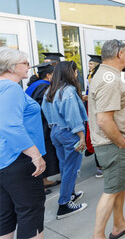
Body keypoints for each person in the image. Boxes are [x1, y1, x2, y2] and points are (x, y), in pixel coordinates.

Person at [89, 40, 125, 239]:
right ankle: (98, 235)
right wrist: (122, 143)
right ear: (119, 54)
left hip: (116, 144)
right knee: (112, 190)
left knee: (118, 187)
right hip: (114, 145)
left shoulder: (109, 75)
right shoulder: (108, 79)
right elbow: (104, 120)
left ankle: (119, 224)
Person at [0, 47, 46, 239]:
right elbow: (9, 125)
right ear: (11, 67)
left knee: (5, 216)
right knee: (31, 214)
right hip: (19, 159)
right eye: (25, 63)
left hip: (4, 161)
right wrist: (36, 155)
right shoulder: (11, 88)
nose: (29, 67)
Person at [42, 61, 88, 219]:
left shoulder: (51, 89)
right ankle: (64, 205)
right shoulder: (68, 91)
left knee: (65, 166)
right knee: (71, 168)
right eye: (75, 71)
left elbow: (45, 110)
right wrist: (81, 136)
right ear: (69, 72)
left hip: (56, 131)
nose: (76, 74)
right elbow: (73, 116)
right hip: (70, 133)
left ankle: (70, 194)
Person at [26, 61, 61, 192]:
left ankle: (44, 179)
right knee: (44, 150)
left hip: (35, 124)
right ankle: (41, 183)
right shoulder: (43, 87)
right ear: (48, 75)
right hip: (41, 125)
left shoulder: (34, 85)